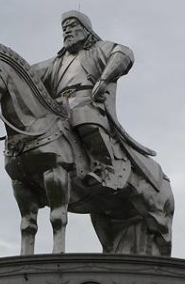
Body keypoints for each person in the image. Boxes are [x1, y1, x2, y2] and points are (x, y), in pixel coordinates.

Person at [31, 11, 154, 191]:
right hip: (59, 107)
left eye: (72, 26)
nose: (67, 31)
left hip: (88, 102)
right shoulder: (56, 62)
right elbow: (27, 73)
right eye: (64, 28)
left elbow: (124, 53)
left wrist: (103, 80)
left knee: (82, 115)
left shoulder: (98, 49)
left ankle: (107, 168)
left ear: (86, 30)